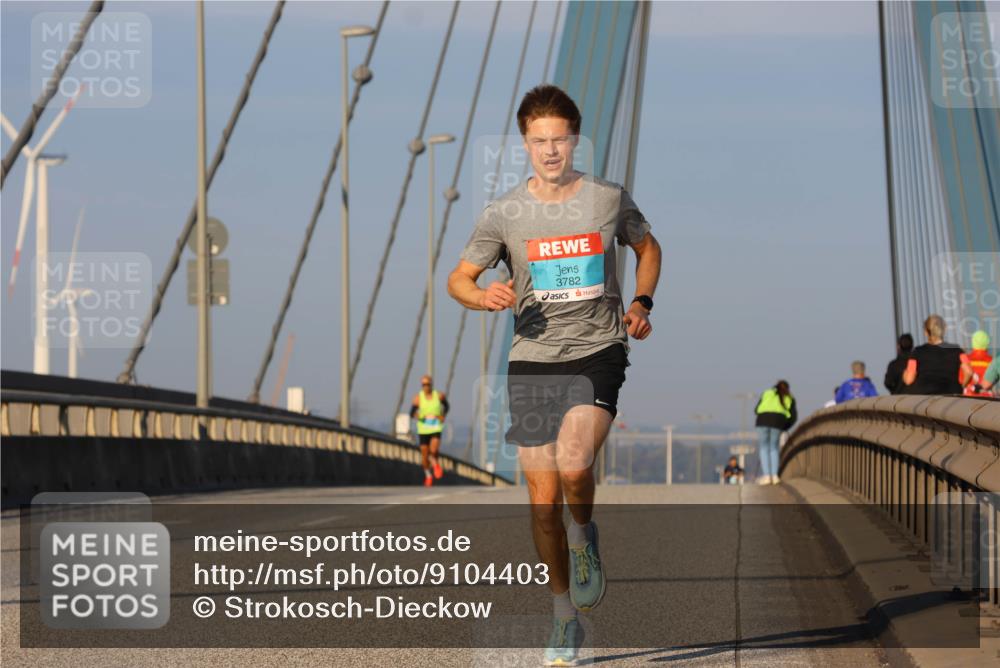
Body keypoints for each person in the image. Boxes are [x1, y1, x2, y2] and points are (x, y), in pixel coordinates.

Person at [447, 84, 660, 666]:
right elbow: (458, 280)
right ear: (524, 143)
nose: (550, 150)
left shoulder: (607, 199)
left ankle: (583, 532)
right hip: (532, 359)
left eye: (560, 139)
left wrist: (641, 303)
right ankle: (564, 618)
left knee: (574, 462)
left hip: (598, 349)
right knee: (541, 501)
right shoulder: (503, 214)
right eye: (539, 141)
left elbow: (648, 248)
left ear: (575, 138)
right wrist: (482, 294)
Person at [902, 315, 974, 395]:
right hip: (951, 395)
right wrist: (961, 386)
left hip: (926, 397)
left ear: (926, 332)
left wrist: (905, 374)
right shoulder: (957, 350)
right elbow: (969, 372)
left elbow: (909, 379)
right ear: (944, 329)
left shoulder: (917, 352)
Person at [409, 375, 449, 487]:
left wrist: (443, 416)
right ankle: (428, 475)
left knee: (434, 449)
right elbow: (412, 413)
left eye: (427, 384)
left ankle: (436, 465)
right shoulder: (418, 398)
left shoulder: (439, 395)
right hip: (423, 429)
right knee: (425, 454)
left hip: (436, 427)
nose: (425, 387)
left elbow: (446, 406)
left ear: (431, 385)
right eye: (423, 385)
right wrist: (418, 416)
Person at [754, 380, 796, 485]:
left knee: (764, 448)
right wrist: (785, 427)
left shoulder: (767, 393)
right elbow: (793, 417)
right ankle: (774, 476)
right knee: (774, 448)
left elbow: (756, 409)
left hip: (762, 420)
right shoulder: (789, 397)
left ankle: (767, 476)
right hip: (778, 422)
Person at [963, 330, 993, 397]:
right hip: (987, 397)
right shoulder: (992, 361)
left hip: (968, 397)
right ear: (987, 343)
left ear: (973, 342)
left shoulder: (966, 360)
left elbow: (961, 380)